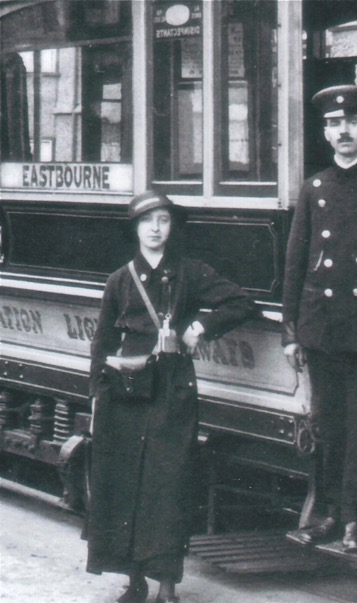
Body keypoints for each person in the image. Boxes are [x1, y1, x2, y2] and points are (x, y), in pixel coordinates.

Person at [86, 191, 257, 603]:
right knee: (126, 486)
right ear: (136, 228)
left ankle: (167, 589)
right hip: (125, 392)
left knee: (168, 487)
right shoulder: (119, 279)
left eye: (163, 220)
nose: (156, 228)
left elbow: (240, 302)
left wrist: (199, 326)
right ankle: (135, 582)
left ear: (172, 226)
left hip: (172, 391)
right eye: (148, 221)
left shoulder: (190, 273)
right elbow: (102, 342)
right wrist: (95, 396)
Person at [282, 85, 357, 552]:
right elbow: (295, 262)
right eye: (334, 125)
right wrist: (291, 331)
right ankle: (329, 514)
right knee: (329, 424)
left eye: (351, 122)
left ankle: (355, 520)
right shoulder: (315, 187)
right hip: (323, 325)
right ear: (326, 133)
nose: (342, 131)